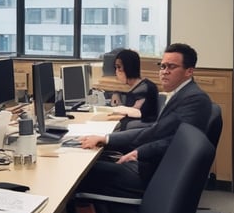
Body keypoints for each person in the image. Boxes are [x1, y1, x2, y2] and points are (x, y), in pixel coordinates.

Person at [77, 42, 211, 198]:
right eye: (162, 66)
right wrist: (106, 139)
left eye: (171, 67)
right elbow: (157, 132)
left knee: (84, 172)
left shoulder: (194, 99)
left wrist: (139, 152)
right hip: (154, 167)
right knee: (96, 161)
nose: (164, 72)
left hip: (154, 176)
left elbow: (177, 143)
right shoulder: (182, 94)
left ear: (189, 71)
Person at [108, 48, 159, 129]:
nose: (117, 71)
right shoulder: (134, 87)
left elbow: (137, 113)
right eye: (116, 68)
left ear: (129, 67)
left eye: (119, 67)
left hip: (140, 127)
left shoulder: (144, 88)